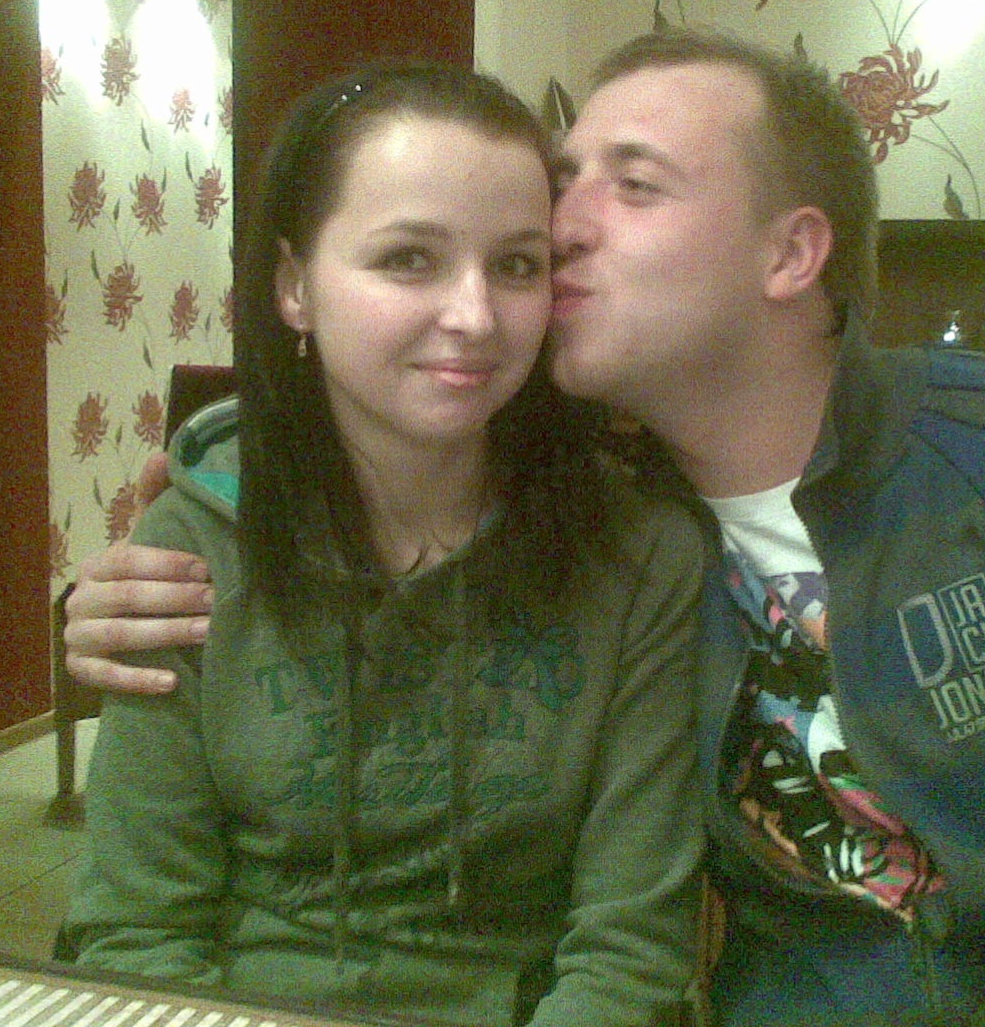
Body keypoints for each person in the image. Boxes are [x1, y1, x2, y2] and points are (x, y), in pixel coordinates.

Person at [63, 32, 985, 1024]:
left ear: (790, 256)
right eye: (562, 188)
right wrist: (135, 572)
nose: (560, 229)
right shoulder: (626, 522)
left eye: (630, 185)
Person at [58, 60, 707, 1027]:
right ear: (295, 287)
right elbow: (139, 930)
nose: (475, 318)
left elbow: (628, 954)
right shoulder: (193, 543)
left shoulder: (639, 552)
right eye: (409, 259)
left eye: (517, 266)